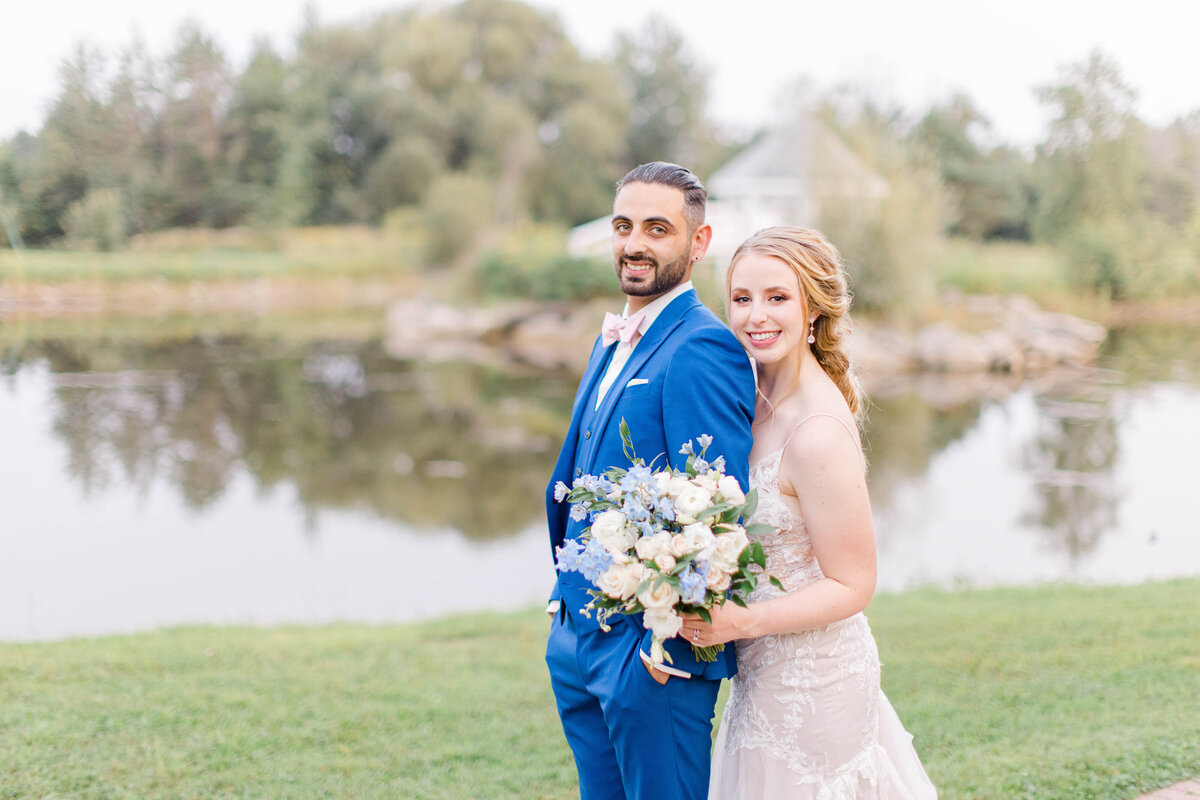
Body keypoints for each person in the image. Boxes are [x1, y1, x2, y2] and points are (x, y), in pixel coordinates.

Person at [681, 227, 938, 799]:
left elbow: (855, 582)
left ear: (814, 310)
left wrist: (740, 622)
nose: (755, 316)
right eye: (742, 298)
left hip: (816, 682)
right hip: (759, 674)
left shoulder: (816, 431)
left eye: (777, 297)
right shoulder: (747, 399)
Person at [544, 162, 756, 800]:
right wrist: (563, 603)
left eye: (657, 228)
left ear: (698, 241)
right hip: (579, 635)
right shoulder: (611, 341)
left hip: (652, 657)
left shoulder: (702, 348)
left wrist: (665, 640)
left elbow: (719, 507)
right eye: (624, 226)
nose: (635, 242)